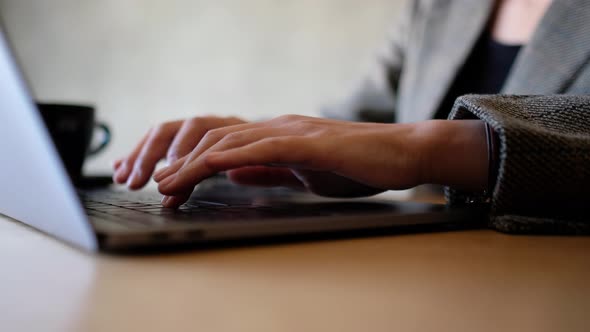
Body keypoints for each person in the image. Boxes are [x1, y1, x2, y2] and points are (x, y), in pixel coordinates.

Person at [113, 0, 590, 234]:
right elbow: (358, 125)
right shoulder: (444, 6)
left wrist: (433, 147)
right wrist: (250, 139)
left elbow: (400, 140)